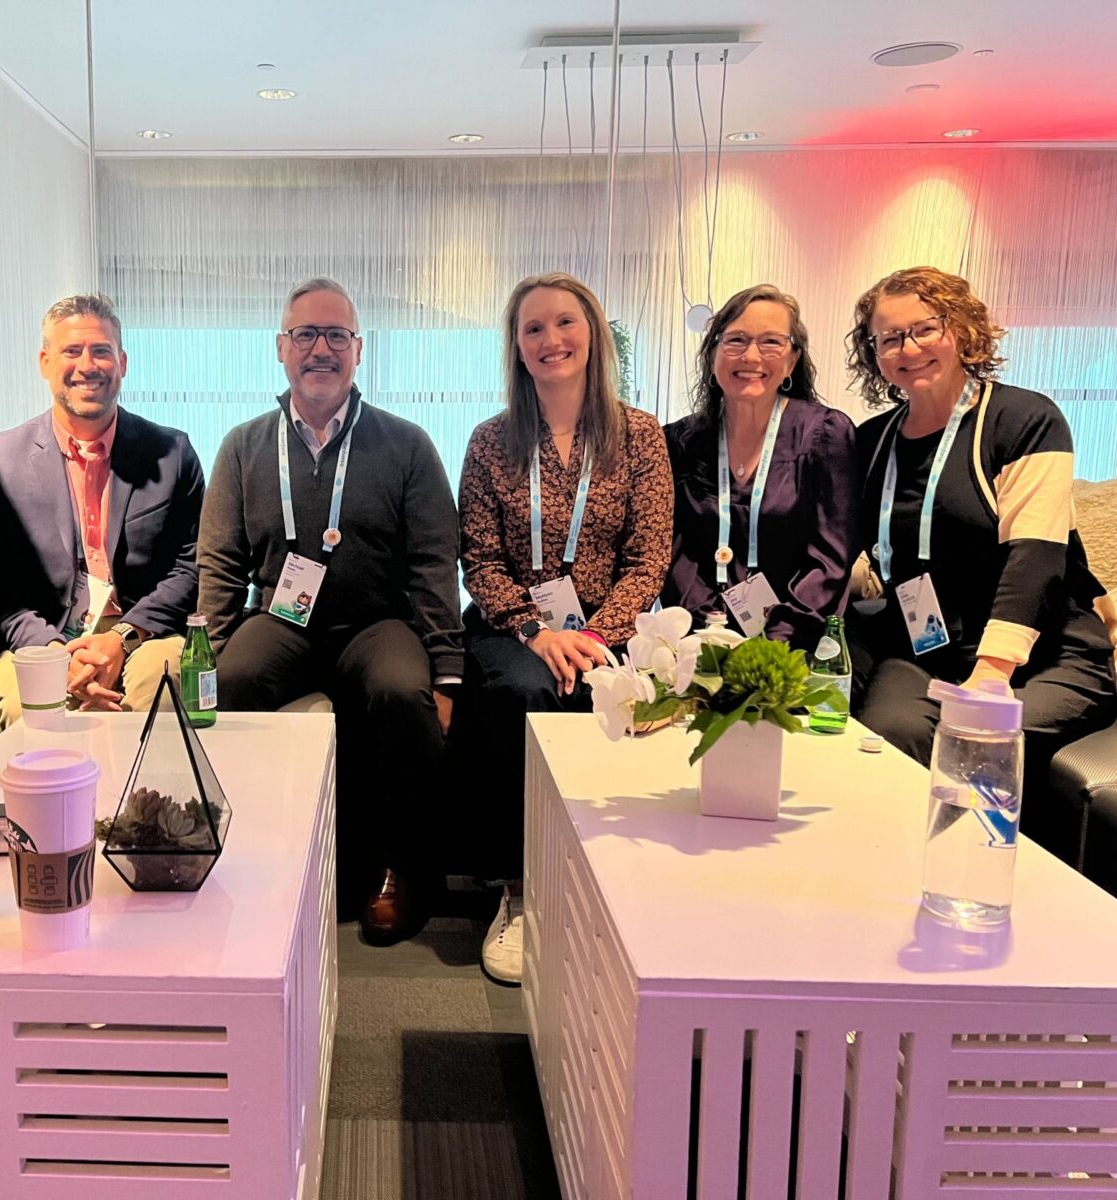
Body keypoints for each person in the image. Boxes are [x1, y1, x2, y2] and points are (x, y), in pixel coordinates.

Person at [198, 277, 462, 945]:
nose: (321, 349)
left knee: (402, 693)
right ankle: (249, 859)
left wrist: (447, 671)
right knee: (232, 681)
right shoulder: (242, 446)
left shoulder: (406, 445)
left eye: (337, 335)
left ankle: (402, 871)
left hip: (377, 623)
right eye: (306, 334)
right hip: (281, 622)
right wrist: (214, 652)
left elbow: (435, 563)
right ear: (280, 348)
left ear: (359, 349)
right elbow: (220, 563)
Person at [846, 266, 1115, 843]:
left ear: (963, 329)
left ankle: (977, 879)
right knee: (889, 735)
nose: (908, 349)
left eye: (925, 329)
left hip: (1043, 656)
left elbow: (1036, 557)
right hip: (927, 651)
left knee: (976, 738)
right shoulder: (872, 441)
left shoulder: (1025, 420)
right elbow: (839, 544)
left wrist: (991, 673)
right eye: (889, 338)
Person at [457, 272, 672, 983]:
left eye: (565, 323)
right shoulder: (491, 441)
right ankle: (519, 891)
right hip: (511, 627)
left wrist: (597, 636)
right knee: (526, 692)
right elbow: (479, 559)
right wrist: (535, 630)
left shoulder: (640, 436)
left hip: (609, 629)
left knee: (613, 694)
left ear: (594, 334)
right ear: (518, 347)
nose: (551, 339)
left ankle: (599, 889)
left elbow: (647, 558)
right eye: (533, 328)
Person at [0, 294, 202, 721]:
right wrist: (56, 653)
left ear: (122, 363)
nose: (87, 365)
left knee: (162, 686)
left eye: (101, 351)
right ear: (44, 362)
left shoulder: (172, 453)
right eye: (71, 351)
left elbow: (190, 567)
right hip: (39, 637)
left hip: (145, 632)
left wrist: (123, 637)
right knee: (32, 709)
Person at [662, 284, 856, 649]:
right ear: (713, 354)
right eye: (736, 340)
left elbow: (831, 560)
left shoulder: (825, 435)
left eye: (771, 342)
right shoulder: (680, 441)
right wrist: (709, 632)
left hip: (794, 644)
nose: (751, 356)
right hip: (699, 639)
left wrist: (778, 639)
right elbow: (674, 553)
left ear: (792, 361)